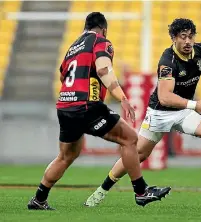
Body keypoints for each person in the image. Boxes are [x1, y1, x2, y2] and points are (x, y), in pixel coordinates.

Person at [85, 18, 201, 207]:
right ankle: (101, 190)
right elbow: (165, 97)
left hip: (184, 110)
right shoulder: (168, 61)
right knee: (138, 154)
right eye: (183, 37)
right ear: (174, 38)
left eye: (191, 36)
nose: (188, 41)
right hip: (160, 112)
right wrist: (194, 105)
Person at [27, 12, 171, 210]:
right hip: (86, 105)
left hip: (65, 106)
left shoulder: (72, 48)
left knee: (66, 156)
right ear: (103, 29)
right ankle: (141, 191)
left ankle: (38, 199)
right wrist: (122, 97)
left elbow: (63, 77)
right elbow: (103, 70)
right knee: (129, 139)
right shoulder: (100, 41)